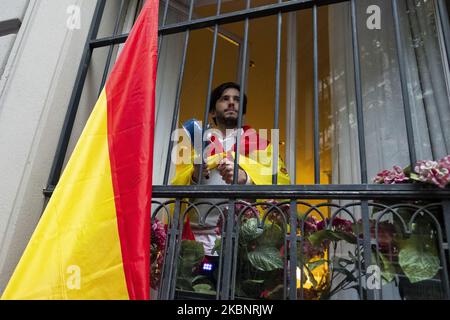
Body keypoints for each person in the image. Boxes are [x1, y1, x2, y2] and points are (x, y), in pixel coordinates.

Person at [171, 82, 290, 267]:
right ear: (212, 111)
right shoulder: (197, 144)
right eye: (225, 99)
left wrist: (247, 179)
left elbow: (282, 184)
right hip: (194, 243)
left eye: (237, 100)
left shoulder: (262, 145)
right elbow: (176, 189)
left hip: (242, 244)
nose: (232, 103)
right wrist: (194, 175)